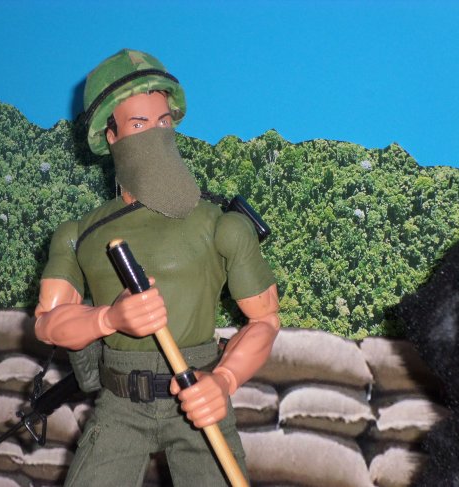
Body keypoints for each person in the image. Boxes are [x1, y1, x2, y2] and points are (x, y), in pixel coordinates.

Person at [34, 49, 280, 486]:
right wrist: (109, 319)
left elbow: (265, 320)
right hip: (120, 404)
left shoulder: (221, 225)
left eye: (163, 122)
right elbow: (48, 324)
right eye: (138, 125)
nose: (155, 135)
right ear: (109, 135)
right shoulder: (80, 235)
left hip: (199, 393)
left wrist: (223, 381)